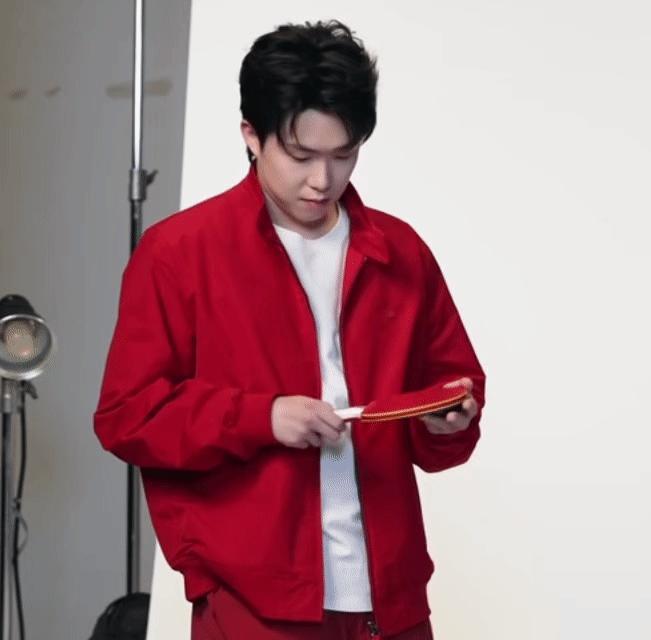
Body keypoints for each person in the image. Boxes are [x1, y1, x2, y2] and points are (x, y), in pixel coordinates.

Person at [94, 19, 486, 640]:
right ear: (252, 135)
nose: (323, 180)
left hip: (393, 602)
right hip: (254, 607)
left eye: (344, 154)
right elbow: (127, 415)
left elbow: (451, 393)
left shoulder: (401, 252)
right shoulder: (179, 254)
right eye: (301, 156)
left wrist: (449, 420)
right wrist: (263, 417)